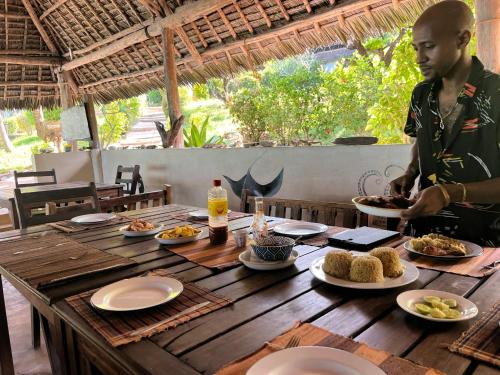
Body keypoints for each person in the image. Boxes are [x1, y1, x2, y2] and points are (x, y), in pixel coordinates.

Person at [390, 0, 500, 246]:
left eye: (429, 46)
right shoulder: (421, 94)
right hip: (422, 239)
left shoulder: (497, 93)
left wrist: (448, 193)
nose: (420, 58)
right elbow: (421, 141)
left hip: (485, 248)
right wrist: (410, 173)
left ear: (462, 39)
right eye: (416, 48)